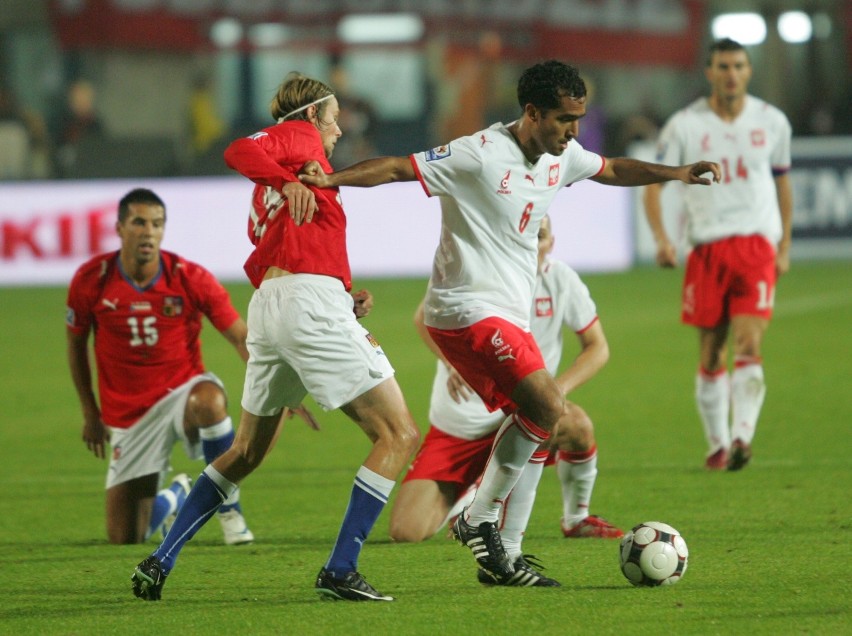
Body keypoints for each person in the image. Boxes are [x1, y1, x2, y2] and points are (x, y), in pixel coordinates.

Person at [300, 59, 720, 582]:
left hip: (503, 314)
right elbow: (396, 168)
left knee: (542, 420)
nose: (574, 131)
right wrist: (331, 180)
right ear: (531, 112)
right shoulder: (479, 153)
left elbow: (612, 168)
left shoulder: (560, 158)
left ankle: (505, 554)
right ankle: (480, 521)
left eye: (578, 119)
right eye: (565, 120)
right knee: (546, 403)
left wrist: (676, 174)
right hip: (463, 308)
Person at [131, 72, 420, 603]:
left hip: (275, 305)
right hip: (306, 306)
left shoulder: (301, 166)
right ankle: (340, 568)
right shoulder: (297, 139)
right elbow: (240, 149)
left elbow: (296, 237)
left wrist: (345, 292)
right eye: (333, 120)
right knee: (397, 434)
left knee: (243, 452)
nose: (336, 132)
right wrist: (288, 181)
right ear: (312, 115)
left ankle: (160, 558)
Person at [388, 215, 621, 587]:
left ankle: (575, 519)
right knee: (406, 531)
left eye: (540, 235)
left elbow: (598, 347)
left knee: (569, 422)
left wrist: (554, 394)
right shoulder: (481, 272)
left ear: (551, 242)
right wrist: (453, 364)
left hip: (515, 417)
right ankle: (475, 493)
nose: (532, 242)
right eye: (526, 234)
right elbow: (422, 316)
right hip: (457, 427)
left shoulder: (560, 280)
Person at [66, 188, 265, 546]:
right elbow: (76, 347)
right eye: (139, 223)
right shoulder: (90, 279)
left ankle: (229, 510)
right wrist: (90, 413)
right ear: (119, 228)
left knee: (209, 400)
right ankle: (177, 493)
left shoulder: (188, 276)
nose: (148, 232)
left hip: (181, 397)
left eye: (157, 224)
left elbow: (239, 336)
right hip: (129, 417)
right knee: (126, 537)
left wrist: (273, 377)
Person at [642, 38, 793, 472]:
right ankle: (717, 445)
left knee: (750, 342)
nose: (731, 73)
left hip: (756, 247)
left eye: (739, 66)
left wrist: (783, 245)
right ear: (709, 72)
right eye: (723, 66)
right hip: (707, 249)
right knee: (711, 352)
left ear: (748, 71)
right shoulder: (684, 126)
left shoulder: (773, 122)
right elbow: (654, 185)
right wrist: (662, 239)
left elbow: (782, 184)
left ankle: (743, 435)